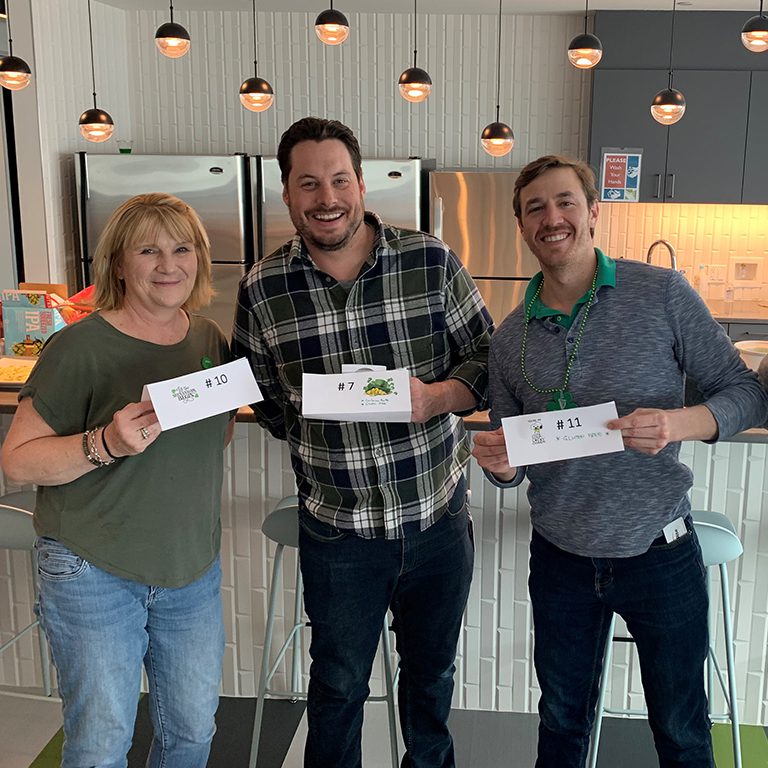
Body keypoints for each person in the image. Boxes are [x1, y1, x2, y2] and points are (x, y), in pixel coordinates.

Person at [471, 155, 768, 768]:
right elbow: (514, 458)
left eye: (565, 202)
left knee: (682, 730)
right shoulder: (508, 338)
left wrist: (677, 424)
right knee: (560, 726)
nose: (552, 218)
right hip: (561, 560)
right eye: (535, 209)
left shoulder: (660, 293)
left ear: (593, 212)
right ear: (523, 229)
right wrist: (498, 465)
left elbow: (747, 393)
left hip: (661, 552)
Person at [232, 116, 493, 767]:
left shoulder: (429, 260)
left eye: (339, 180)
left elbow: (487, 364)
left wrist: (437, 398)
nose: (327, 198)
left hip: (435, 523)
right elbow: (266, 399)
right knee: (338, 687)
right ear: (287, 193)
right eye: (309, 183)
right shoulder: (263, 288)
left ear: (361, 183)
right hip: (337, 534)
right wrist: (321, 435)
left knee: (429, 685)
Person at [1, 193, 234, 768]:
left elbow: (216, 435)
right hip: (93, 569)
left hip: (190, 570)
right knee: (101, 743)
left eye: (182, 249)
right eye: (148, 250)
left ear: (200, 259)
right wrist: (104, 444)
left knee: (193, 731)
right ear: (118, 265)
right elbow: (17, 461)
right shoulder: (77, 347)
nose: (168, 265)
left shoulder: (208, 340)